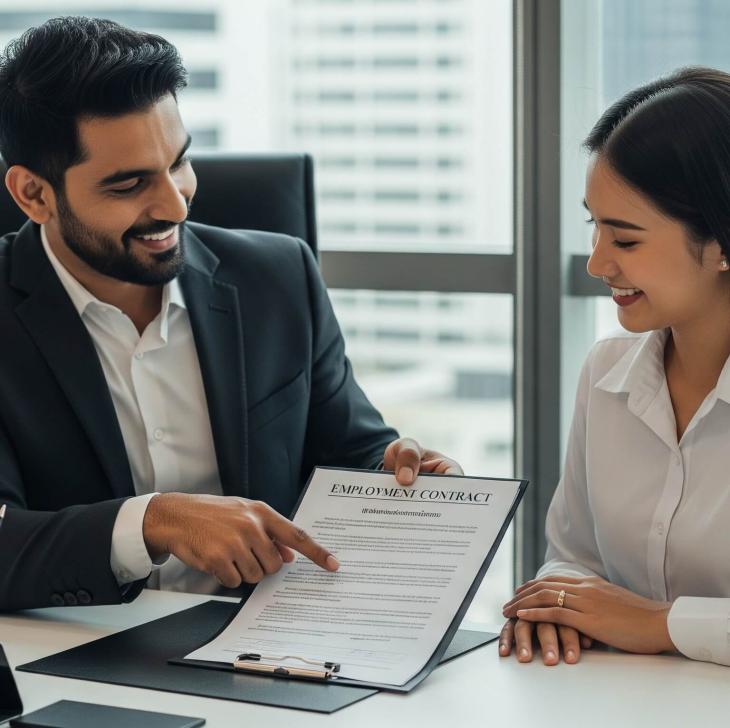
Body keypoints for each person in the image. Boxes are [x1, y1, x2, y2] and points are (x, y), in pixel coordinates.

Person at [0, 17, 462, 611]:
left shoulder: (277, 277)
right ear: (34, 194)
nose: (174, 202)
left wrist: (396, 473)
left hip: (268, 647)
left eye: (179, 163)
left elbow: (351, 452)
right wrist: (152, 522)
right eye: (128, 185)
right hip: (73, 655)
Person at [501, 67, 730, 668]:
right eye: (593, 227)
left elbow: (626, 614)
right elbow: (573, 558)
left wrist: (659, 623)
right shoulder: (607, 373)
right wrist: (554, 607)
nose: (597, 263)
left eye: (625, 241)